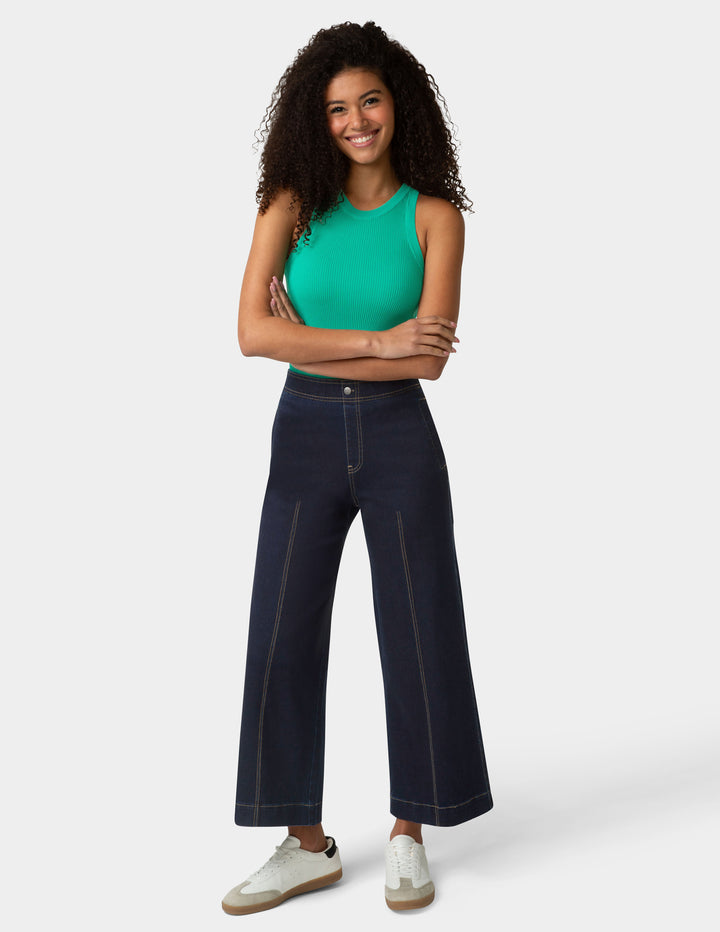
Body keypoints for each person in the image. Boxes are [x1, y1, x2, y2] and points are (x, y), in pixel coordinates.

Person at [222, 21, 493, 915]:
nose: (355, 120)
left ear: (397, 103)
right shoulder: (290, 203)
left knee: (418, 628)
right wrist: (376, 337)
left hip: (399, 435)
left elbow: (431, 360)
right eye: (337, 107)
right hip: (300, 432)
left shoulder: (433, 216)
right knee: (280, 630)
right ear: (317, 116)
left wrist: (319, 342)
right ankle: (304, 845)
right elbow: (253, 335)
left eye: (369, 100)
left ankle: (411, 831)